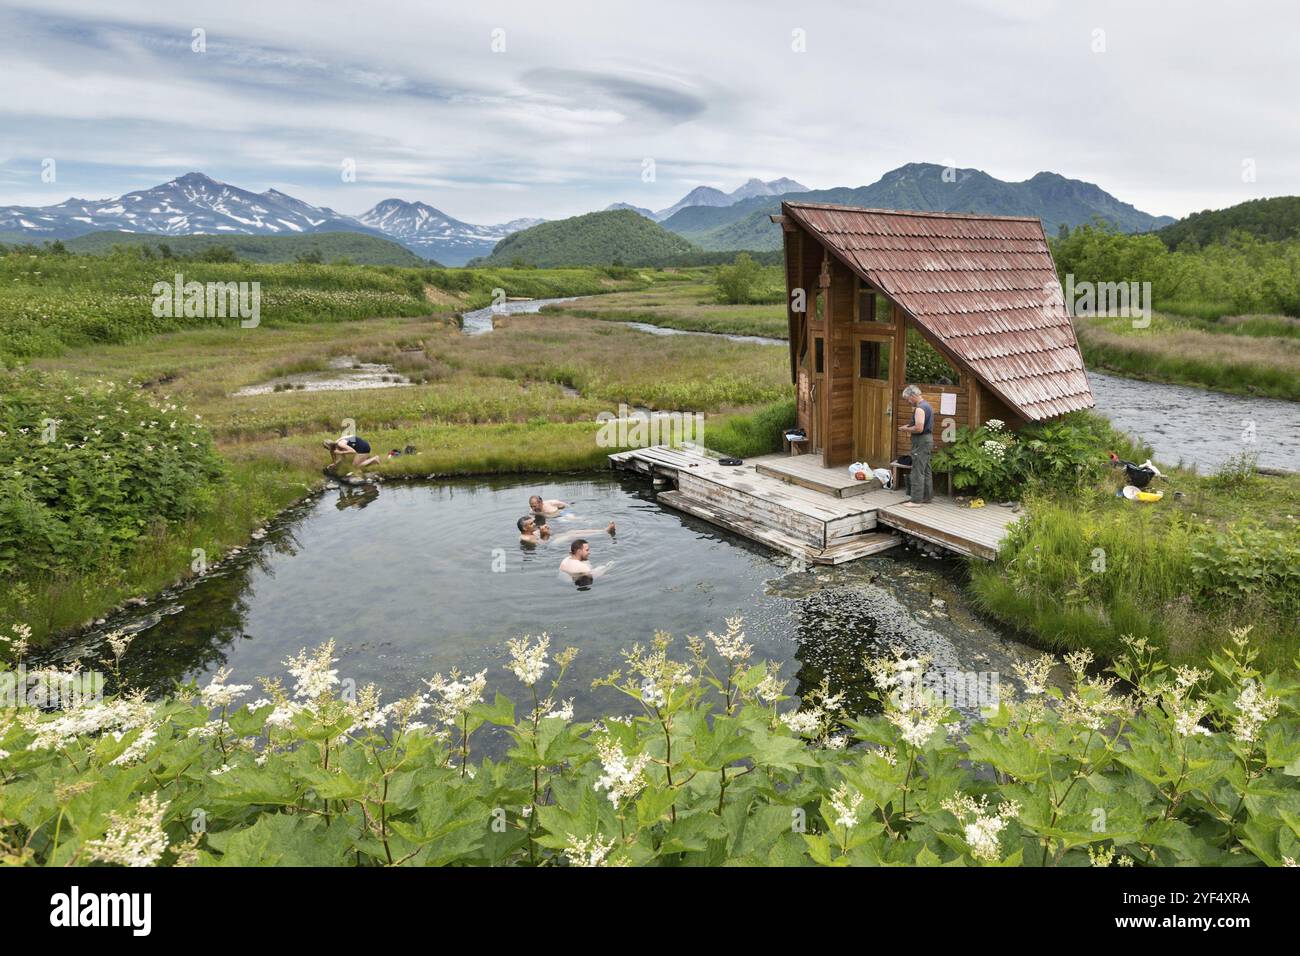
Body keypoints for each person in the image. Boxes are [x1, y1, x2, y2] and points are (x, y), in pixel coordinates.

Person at [897, 384, 933, 507]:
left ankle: (916, 501)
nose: (908, 402)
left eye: (908, 399)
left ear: (913, 395)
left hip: (921, 441)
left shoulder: (919, 409)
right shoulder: (927, 405)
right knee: (926, 469)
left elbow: (918, 428)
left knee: (917, 470)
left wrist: (905, 429)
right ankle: (926, 497)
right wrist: (907, 427)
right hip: (927, 440)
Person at [519, 515, 614, 547]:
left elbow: (547, 535)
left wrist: (546, 531)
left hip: (550, 540)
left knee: (571, 532)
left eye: (533, 522)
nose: (535, 524)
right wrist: (544, 534)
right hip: (549, 544)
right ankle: (605, 532)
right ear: (524, 528)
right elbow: (544, 544)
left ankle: (604, 530)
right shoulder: (527, 538)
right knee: (570, 536)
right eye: (531, 524)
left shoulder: (531, 532)